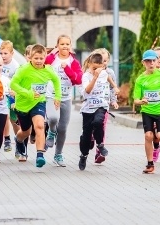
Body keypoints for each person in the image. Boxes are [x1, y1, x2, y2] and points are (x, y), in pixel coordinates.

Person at [10, 44, 61, 168]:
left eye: (41, 58)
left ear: (45, 58)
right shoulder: (24, 69)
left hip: (39, 102)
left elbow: (56, 81)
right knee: (25, 132)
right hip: (23, 105)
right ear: (30, 57)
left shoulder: (48, 69)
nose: (38, 61)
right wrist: (28, 94)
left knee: (39, 126)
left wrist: (57, 97)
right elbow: (13, 84)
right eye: (36, 58)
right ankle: (18, 140)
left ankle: (40, 155)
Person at [43, 35, 82, 167]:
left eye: (67, 44)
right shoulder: (52, 59)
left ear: (70, 46)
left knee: (63, 128)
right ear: (57, 45)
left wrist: (67, 69)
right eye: (62, 44)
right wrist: (51, 54)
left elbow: (77, 80)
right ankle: (51, 131)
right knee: (53, 118)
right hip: (51, 95)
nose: (65, 46)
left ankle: (58, 154)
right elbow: (43, 65)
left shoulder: (74, 62)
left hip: (66, 97)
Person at [78, 53, 112, 171]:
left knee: (98, 122)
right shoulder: (86, 76)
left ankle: (100, 145)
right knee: (86, 135)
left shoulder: (104, 73)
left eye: (99, 68)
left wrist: (114, 87)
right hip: (88, 107)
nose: (96, 71)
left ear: (102, 66)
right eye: (94, 68)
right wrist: (94, 78)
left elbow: (109, 79)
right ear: (89, 65)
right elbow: (87, 90)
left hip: (100, 105)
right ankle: (84, 155)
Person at [0, 40, 19, 154]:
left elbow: (17, 82)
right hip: (1, 95)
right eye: (1, 53)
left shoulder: (15, 66)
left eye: (5, 53)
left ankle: (19, 140)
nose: (3, 56)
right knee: (4, 116)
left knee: (13, 120)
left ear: (12, 53)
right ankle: (7, 139)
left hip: (12, 95)